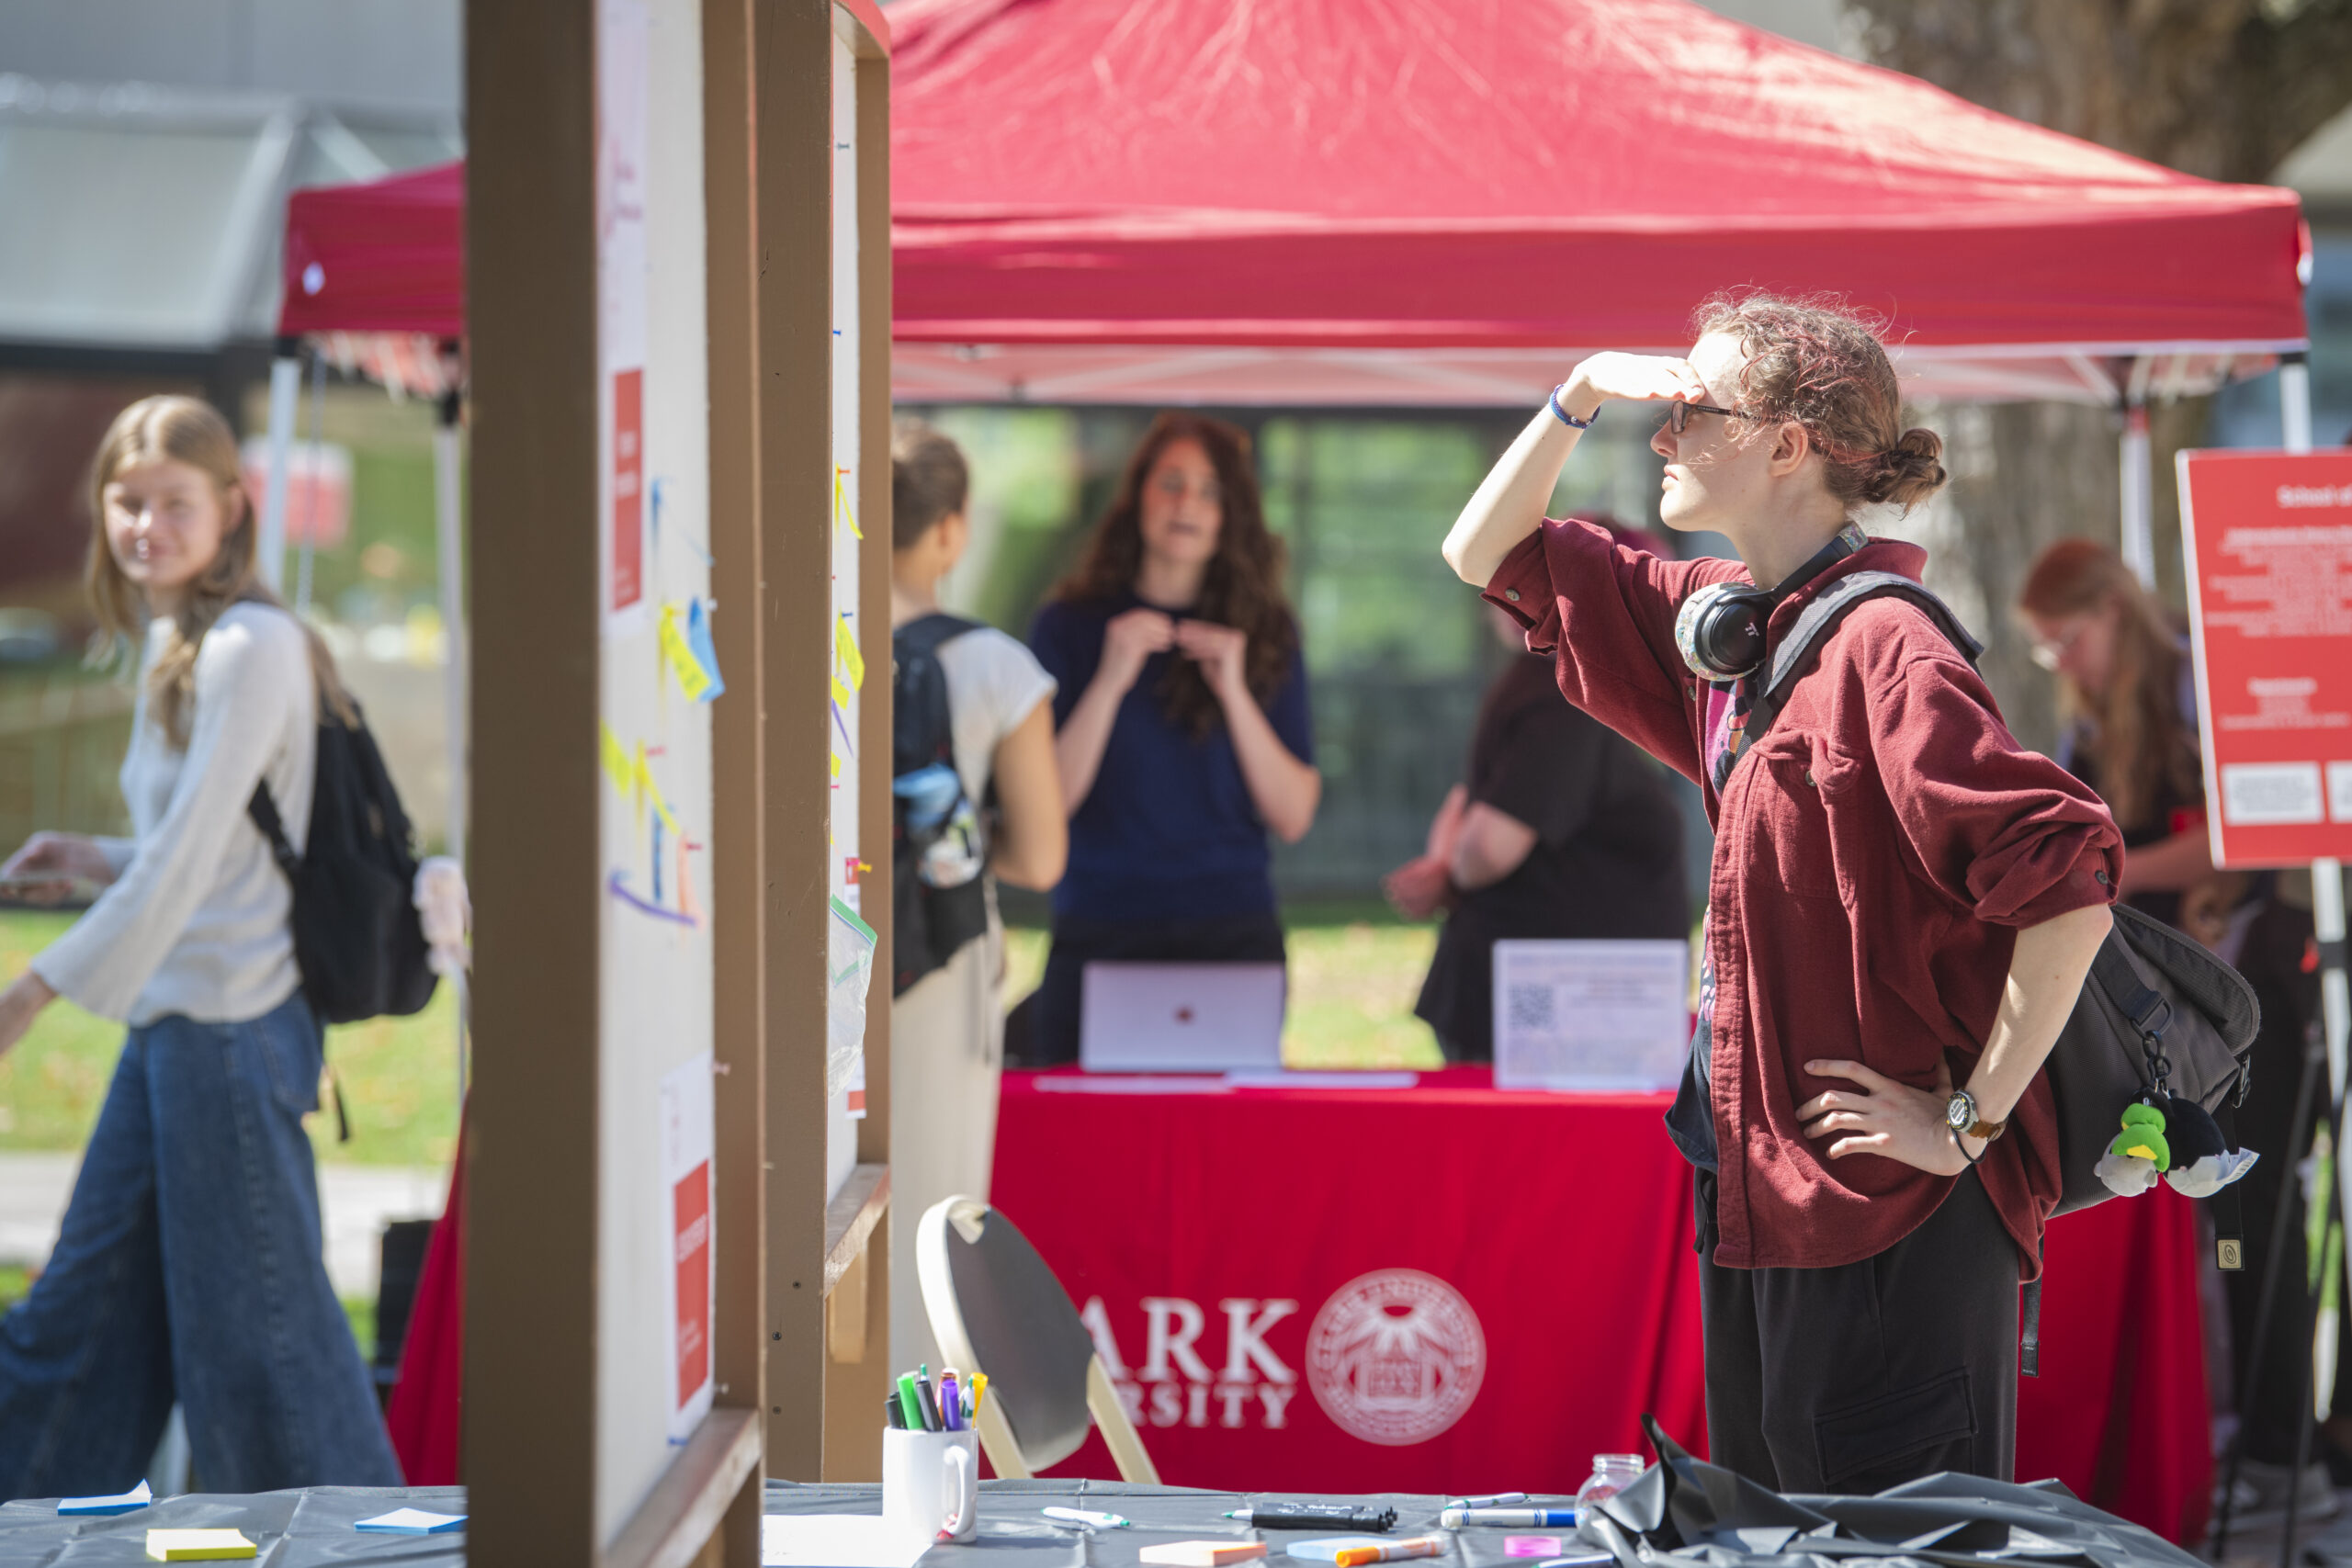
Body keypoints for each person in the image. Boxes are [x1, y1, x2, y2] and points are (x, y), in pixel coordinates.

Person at [1441, 293, 2120, 1493]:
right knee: (1774, 1533)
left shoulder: (1887, 648)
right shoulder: (1727, 624)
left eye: (1690, 409)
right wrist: (1580, 389)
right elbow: (1481, 554)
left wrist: (1967, 1120)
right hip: (1758, 1189)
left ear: (1787, 444)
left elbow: (2069, 882)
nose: (1662, 434)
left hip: (1885, 1219)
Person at [0, 395, 401, 1495]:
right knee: (77, 1328)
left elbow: (187, 875)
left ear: (234, 507)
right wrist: (93, 855)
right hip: (180, 1026)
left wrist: (28, 993)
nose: (146, 527)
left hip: (229, 1035)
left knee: (263, 1357)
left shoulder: (248, 647)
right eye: (126, 502)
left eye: (175, 503)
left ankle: (349, 1546)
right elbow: (206, 854)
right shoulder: (183, 641)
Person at [2020, 538, 2329, 1528]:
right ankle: (2245, 1441)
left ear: (2112, 612)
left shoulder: (2199, 688)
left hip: (2257, 993)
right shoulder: (2090, 724)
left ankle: (2286, 1458)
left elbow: (2246, 829)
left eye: (2066, 640)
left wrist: (2118, 870)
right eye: (2045, 650)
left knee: (2251, 1215)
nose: (2062, 662)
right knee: (2209, 1223)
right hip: (2168, 1009)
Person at [1017, 412, 1318, 1065]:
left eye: (1210, 491)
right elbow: (1047, 804)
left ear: (1230, 515)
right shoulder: (1068, 623)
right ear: (1138, 498)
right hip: (1101, 923)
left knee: (1227, 1146)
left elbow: (1293, 814)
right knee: (1088, 1142)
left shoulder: (1267, 631)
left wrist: (1235, 691)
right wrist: (1109, 680)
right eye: (1171, 483)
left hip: (1231, 926)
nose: (1188, 503)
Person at [887, 423, 1065, 1371]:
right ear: (949, 530)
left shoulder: (793, 643)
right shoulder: (994, 666)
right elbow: (1039, 856)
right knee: (928, 1208)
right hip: (940, 964)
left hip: (806, 955)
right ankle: (914, 1443)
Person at [1386, 525, 1690, 1061]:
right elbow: (1485, 847)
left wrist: (1445, 866)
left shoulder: (1552, 684)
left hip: (1547, 1000)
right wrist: (1454, 866)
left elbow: (1473, 802)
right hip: (1550, 1010)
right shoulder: (1567, 689)